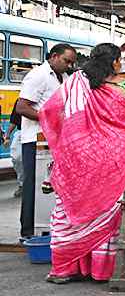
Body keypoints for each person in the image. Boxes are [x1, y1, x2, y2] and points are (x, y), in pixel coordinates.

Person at [38, 43, 125, 284]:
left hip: (76, 160)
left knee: (68, 212)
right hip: (110, 161)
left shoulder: (75, 83)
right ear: (114, 62)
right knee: (104, 212)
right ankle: (100, 271)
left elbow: (51, 111)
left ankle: (63, 269)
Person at [16, 43, 76, 239]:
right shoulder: (38, 76)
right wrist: (48, 119)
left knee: (51, 188)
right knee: (33, 187)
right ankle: (28, 232)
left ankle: (49, 229)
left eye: (71, 63)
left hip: (56, 141)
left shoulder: (65, 78)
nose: (69, 65)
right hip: (35, 140)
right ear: (54, 56)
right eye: (66, 61)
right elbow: (22, 108)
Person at [6, 100, 23, 197]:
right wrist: (7, 136)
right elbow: (14, 120)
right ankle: (22, 185)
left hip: (40, 131)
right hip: (21, 132)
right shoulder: (20, 100)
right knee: (16, 157)